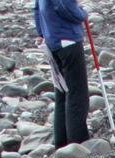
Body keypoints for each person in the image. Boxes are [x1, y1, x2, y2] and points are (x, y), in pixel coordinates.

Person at [35, 0, 92, 147]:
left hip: (52, 40)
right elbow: (65, 6)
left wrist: (42, 32)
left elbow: (37, 8)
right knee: (76, 93)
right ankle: (77, 142)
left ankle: (62, 142)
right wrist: (82, 13)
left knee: (62, 92)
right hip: (68, 39)